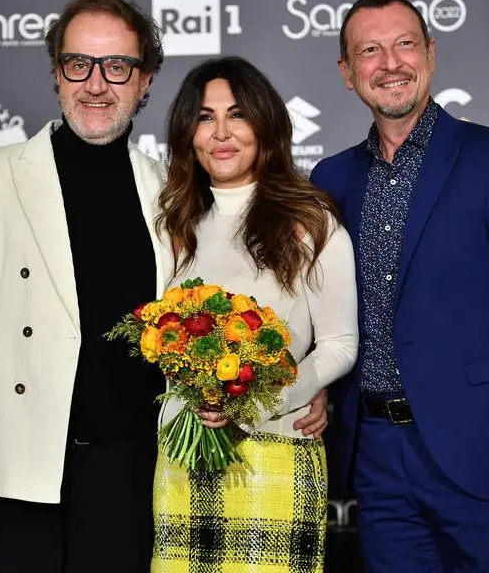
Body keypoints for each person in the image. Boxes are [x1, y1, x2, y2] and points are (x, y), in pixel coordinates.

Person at [0, 0, 328, 573]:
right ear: (57, 73)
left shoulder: (172, 192)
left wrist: (297, 382)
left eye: (116, 66)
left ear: (144, 81)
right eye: (78, 64)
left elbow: (237, 303)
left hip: (134, 471)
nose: (96, 84)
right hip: (11, 470)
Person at [311, 0, 489, 573]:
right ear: (347, 72)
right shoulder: (331, 178)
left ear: (430, 53)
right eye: (370, 51)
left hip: (485, 456)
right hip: (376, 460)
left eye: (405, 44)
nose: (390, 63)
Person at [151, 56, 359, 573]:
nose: (221, 133)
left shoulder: (309, 221)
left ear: (265, 125)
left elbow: (340, 344)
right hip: (181, 458)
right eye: (205, 117)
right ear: (188, 133)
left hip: (277, 454)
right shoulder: (172, 222)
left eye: (237, 115)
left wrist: (261, 402)